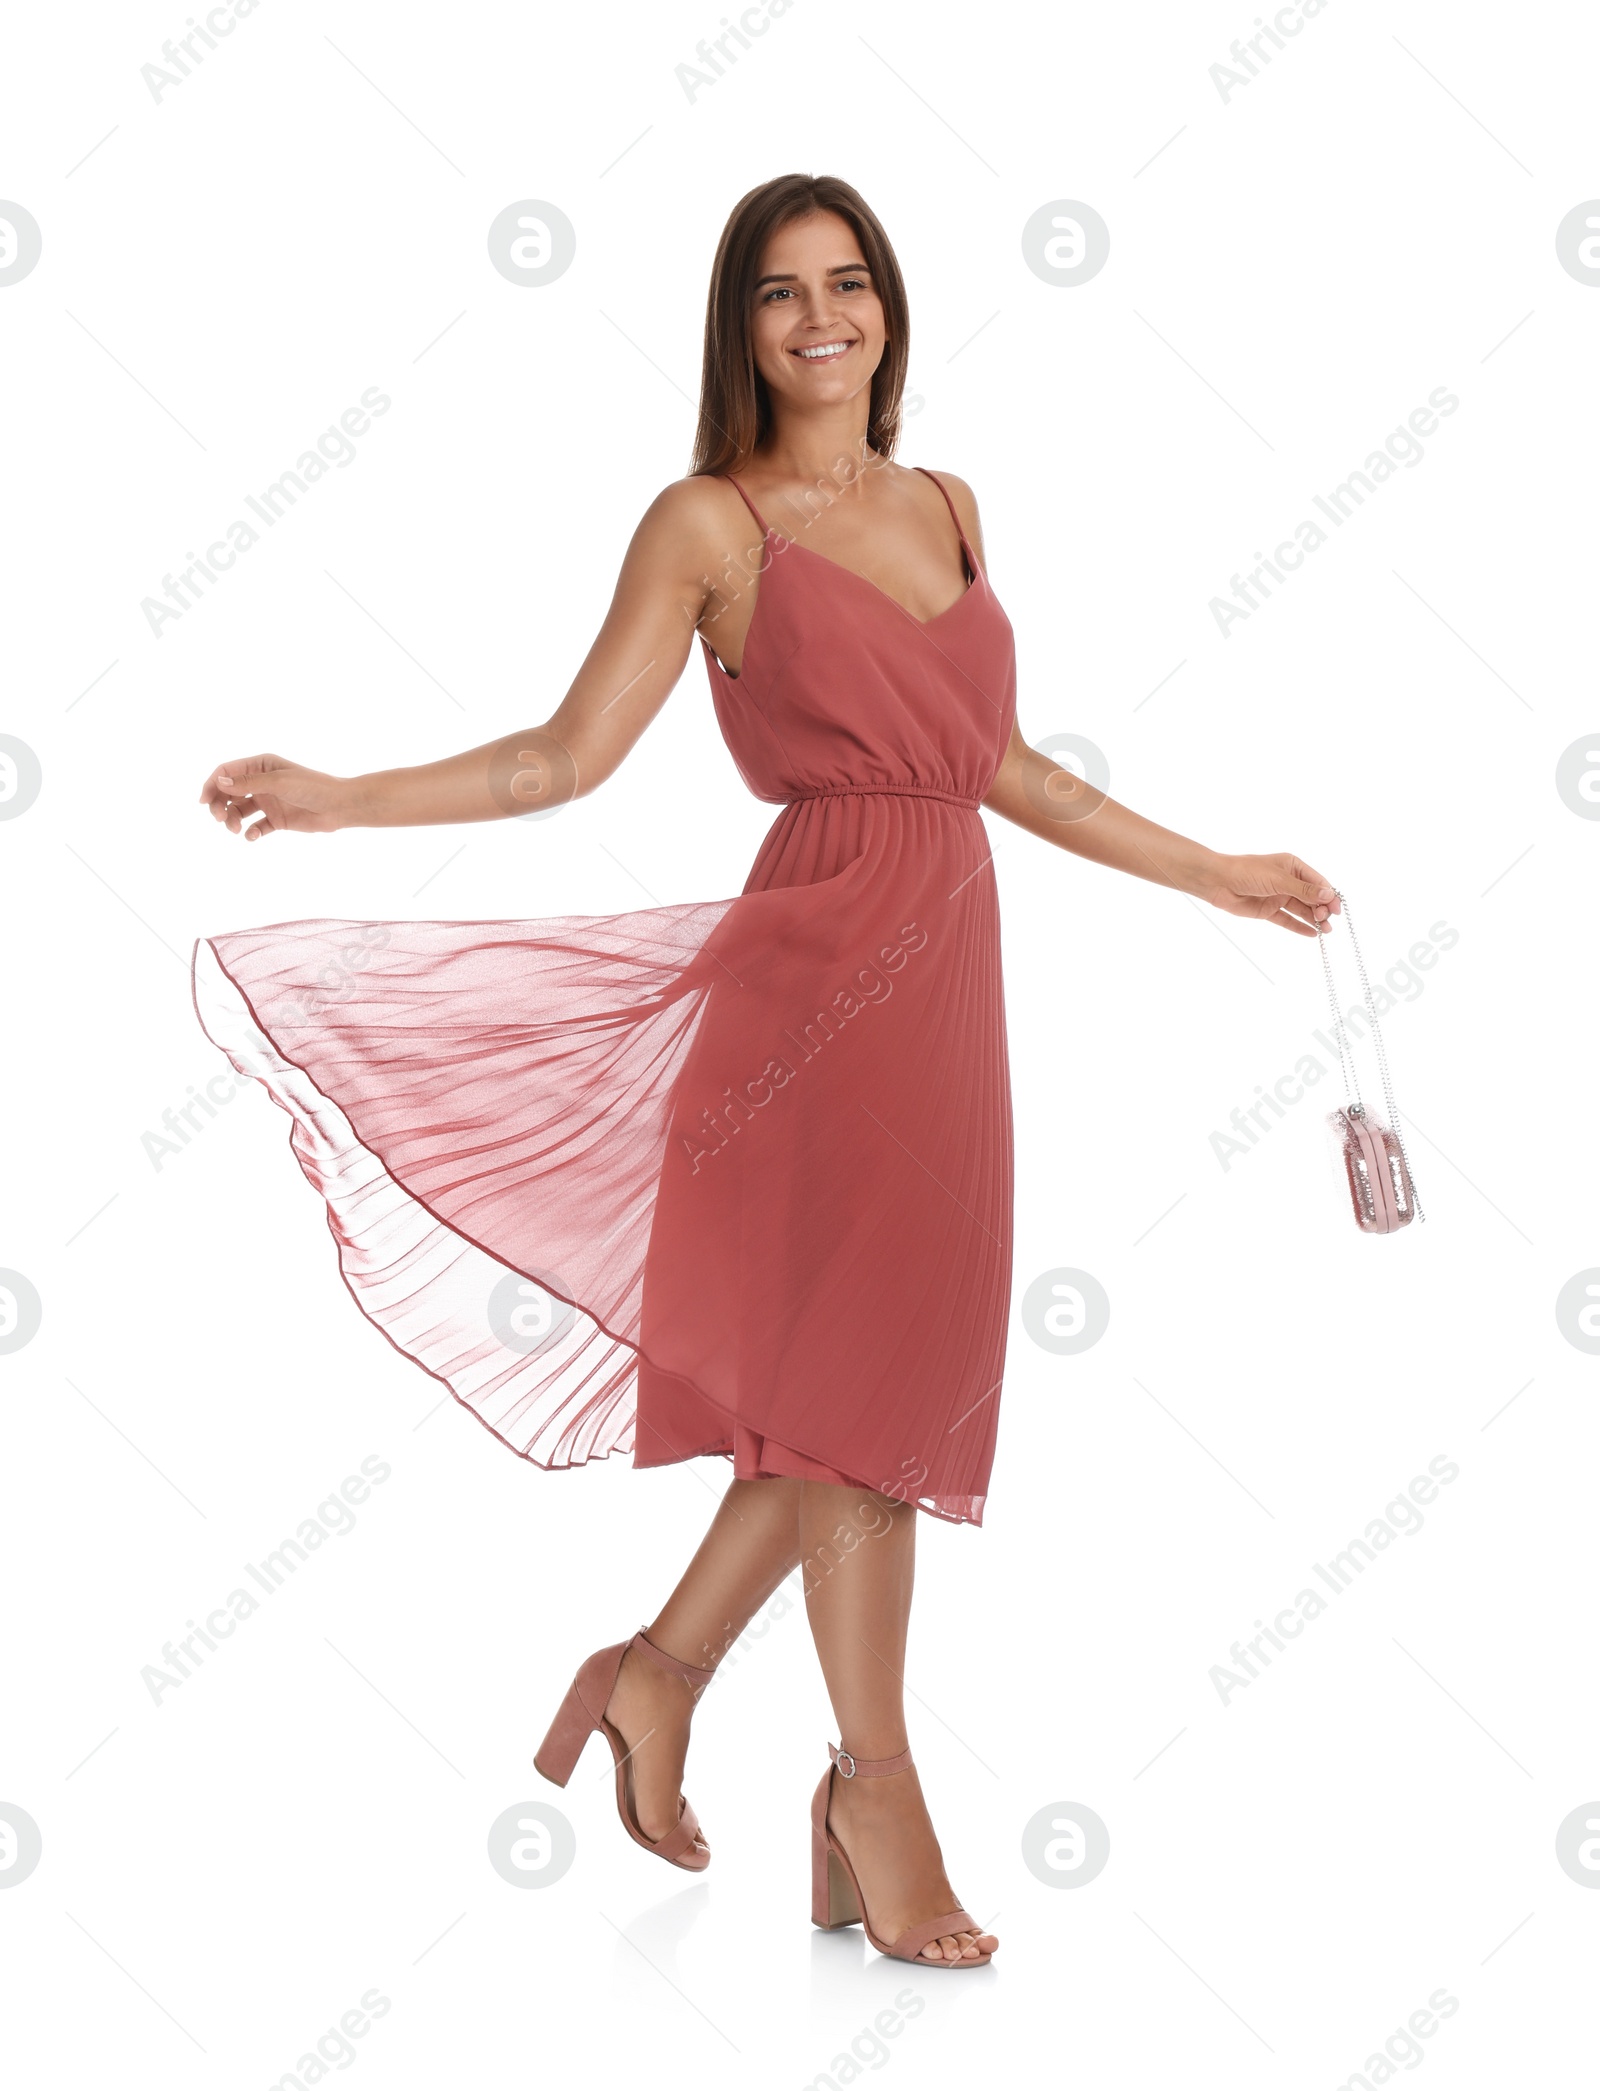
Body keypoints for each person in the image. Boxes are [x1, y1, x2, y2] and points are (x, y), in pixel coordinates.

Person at [195, 174, 1338, 1969]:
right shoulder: (706, 524)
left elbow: (1002, 767)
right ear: (739, 325)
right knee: (868, 1406)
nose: (823, 317)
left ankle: (657, 1679)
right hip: (811, 987)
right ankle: (872, 1788)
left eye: (851, 283)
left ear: (889, 306)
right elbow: (561, 759)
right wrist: (343, 793)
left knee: (861, 1395)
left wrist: (1220, 868)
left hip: (951, 978)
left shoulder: (952, 503)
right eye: (783, 292)